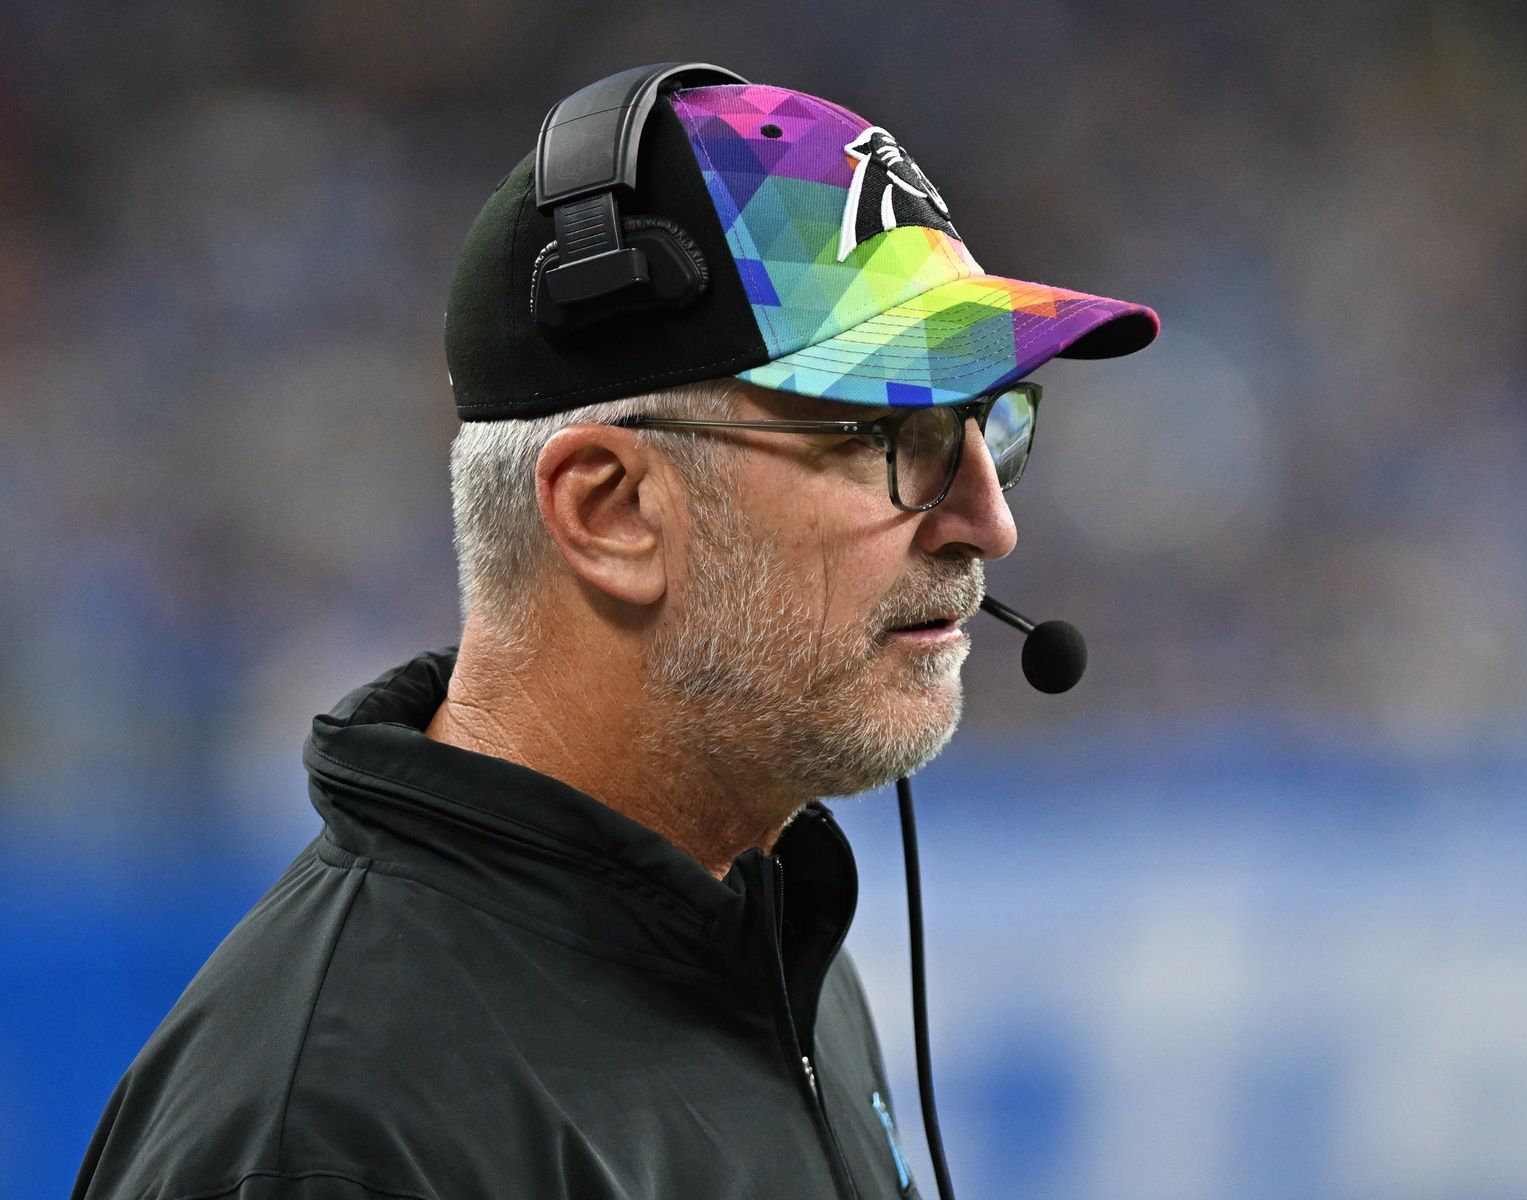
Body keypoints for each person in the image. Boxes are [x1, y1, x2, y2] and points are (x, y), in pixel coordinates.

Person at [72, 64, 1158, 1200]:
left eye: (993, 424)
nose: (991, 522)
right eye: (897, 435)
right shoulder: (332, 1137)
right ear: (611, 510)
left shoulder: (766, 946)